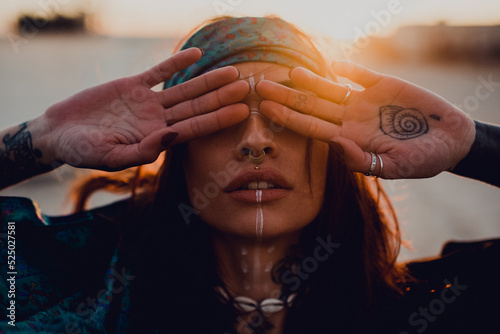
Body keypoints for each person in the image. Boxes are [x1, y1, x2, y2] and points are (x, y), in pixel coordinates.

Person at [1, 16, 499, 334]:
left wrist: (471, 144)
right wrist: (39, 139)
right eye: (224, 114)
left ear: (335, 142)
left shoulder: (438, 309)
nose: (255, 140)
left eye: (288, 113)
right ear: (177, 146)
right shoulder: (55, 291)